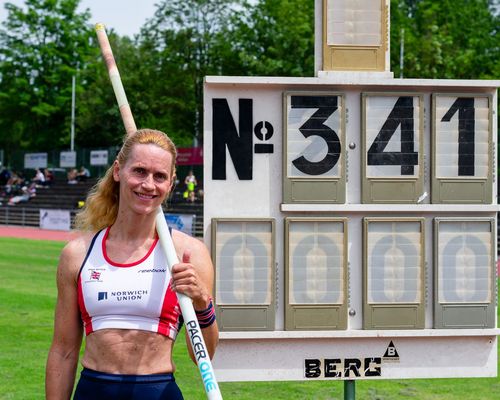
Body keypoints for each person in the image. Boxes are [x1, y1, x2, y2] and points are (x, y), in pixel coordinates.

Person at [45, 129, 219, 400]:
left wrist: (201, 301)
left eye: (160, 176)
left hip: (157, 391)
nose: (148, 184)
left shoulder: (188, 254)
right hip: (93, 391)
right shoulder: (77, 254)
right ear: (117, 171)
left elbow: (203, 357)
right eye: (139, 171)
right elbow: (63, 350)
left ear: (171, 183)